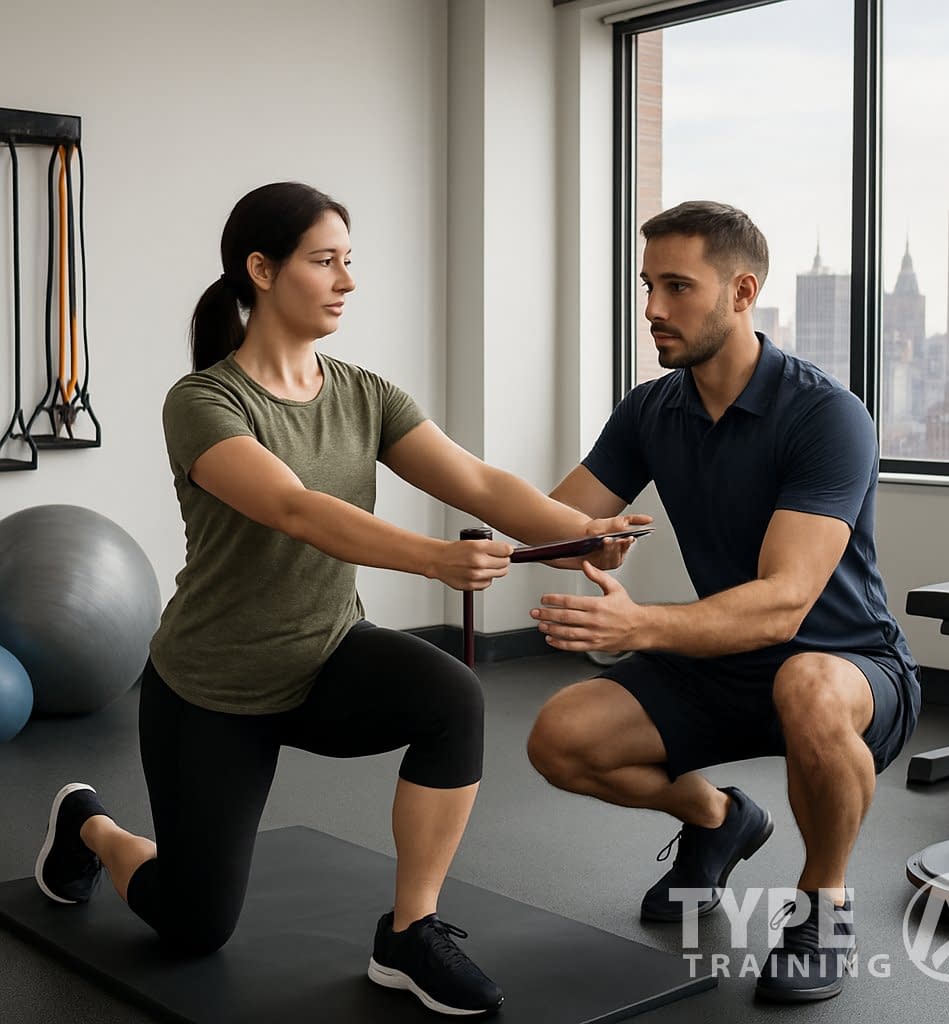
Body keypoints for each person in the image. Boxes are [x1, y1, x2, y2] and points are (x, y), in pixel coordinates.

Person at [33, 181, 650, 1018]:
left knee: (450, 698)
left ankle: (410, 931)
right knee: (191, 926)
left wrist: (581, 531)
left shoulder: (364, 394)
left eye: (348, 262)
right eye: (324, 262)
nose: (346, 281)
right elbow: (297, 509)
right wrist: (435, 559)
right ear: (260, 269)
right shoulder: (205, 402)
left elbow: (475, 480)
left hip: (325, 655)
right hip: (213, 685)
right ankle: (91, 828)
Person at [525, 201, 920, 1004]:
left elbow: (784, 605)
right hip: (722, 661)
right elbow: (560, 517)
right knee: (559, 738)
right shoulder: (652, 408)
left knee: (804, 682)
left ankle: (824, 902)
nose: (652, 310)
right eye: (646, 286)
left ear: (743, 292)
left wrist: (639, 623)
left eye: (677, 287)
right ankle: (718, 818)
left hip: (847, 664)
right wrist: (574, 535)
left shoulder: (824, 415)